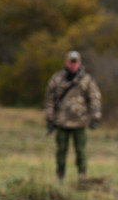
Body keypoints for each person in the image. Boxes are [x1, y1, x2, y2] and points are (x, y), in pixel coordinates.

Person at [44, 50, 102, 181]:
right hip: (61, 121)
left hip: (80, 122)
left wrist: (95, 116)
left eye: (75, 62)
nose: (73, 65)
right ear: (66, 62)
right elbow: (49, 99)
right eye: (71, 62)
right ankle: (60, 176)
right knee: (61, 150)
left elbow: (94, 98)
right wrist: (49, 118)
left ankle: (82, 175)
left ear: (79, 63)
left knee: (81, 151)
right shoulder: (57, 78)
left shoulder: (86, 80)